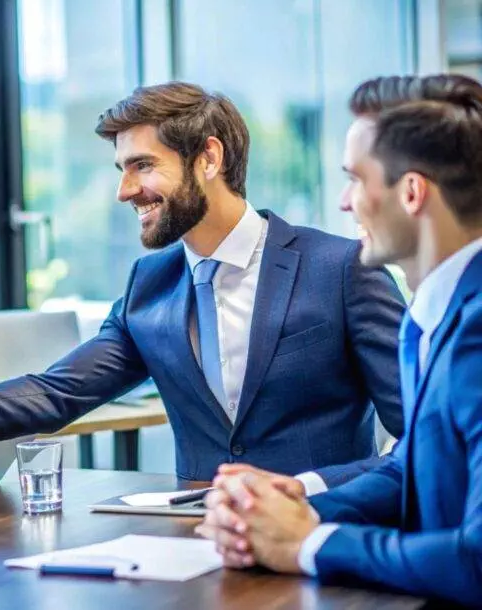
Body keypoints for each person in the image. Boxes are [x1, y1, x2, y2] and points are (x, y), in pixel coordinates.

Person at [0, 81, 404, 489]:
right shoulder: (152, 284)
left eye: (142, 166)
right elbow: (60, 390)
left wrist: (311, 490)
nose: (125, 191)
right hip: (195, 547)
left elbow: (420, 434)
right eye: (122, 169)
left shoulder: (342, 268)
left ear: (209, 159)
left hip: (326, 536)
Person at [197, 74, 482, 605]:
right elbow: (413, 466)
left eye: (355, 179)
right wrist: (293, 505)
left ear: (412, 191)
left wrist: (309, 544)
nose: (345, 202)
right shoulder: (432, 313)